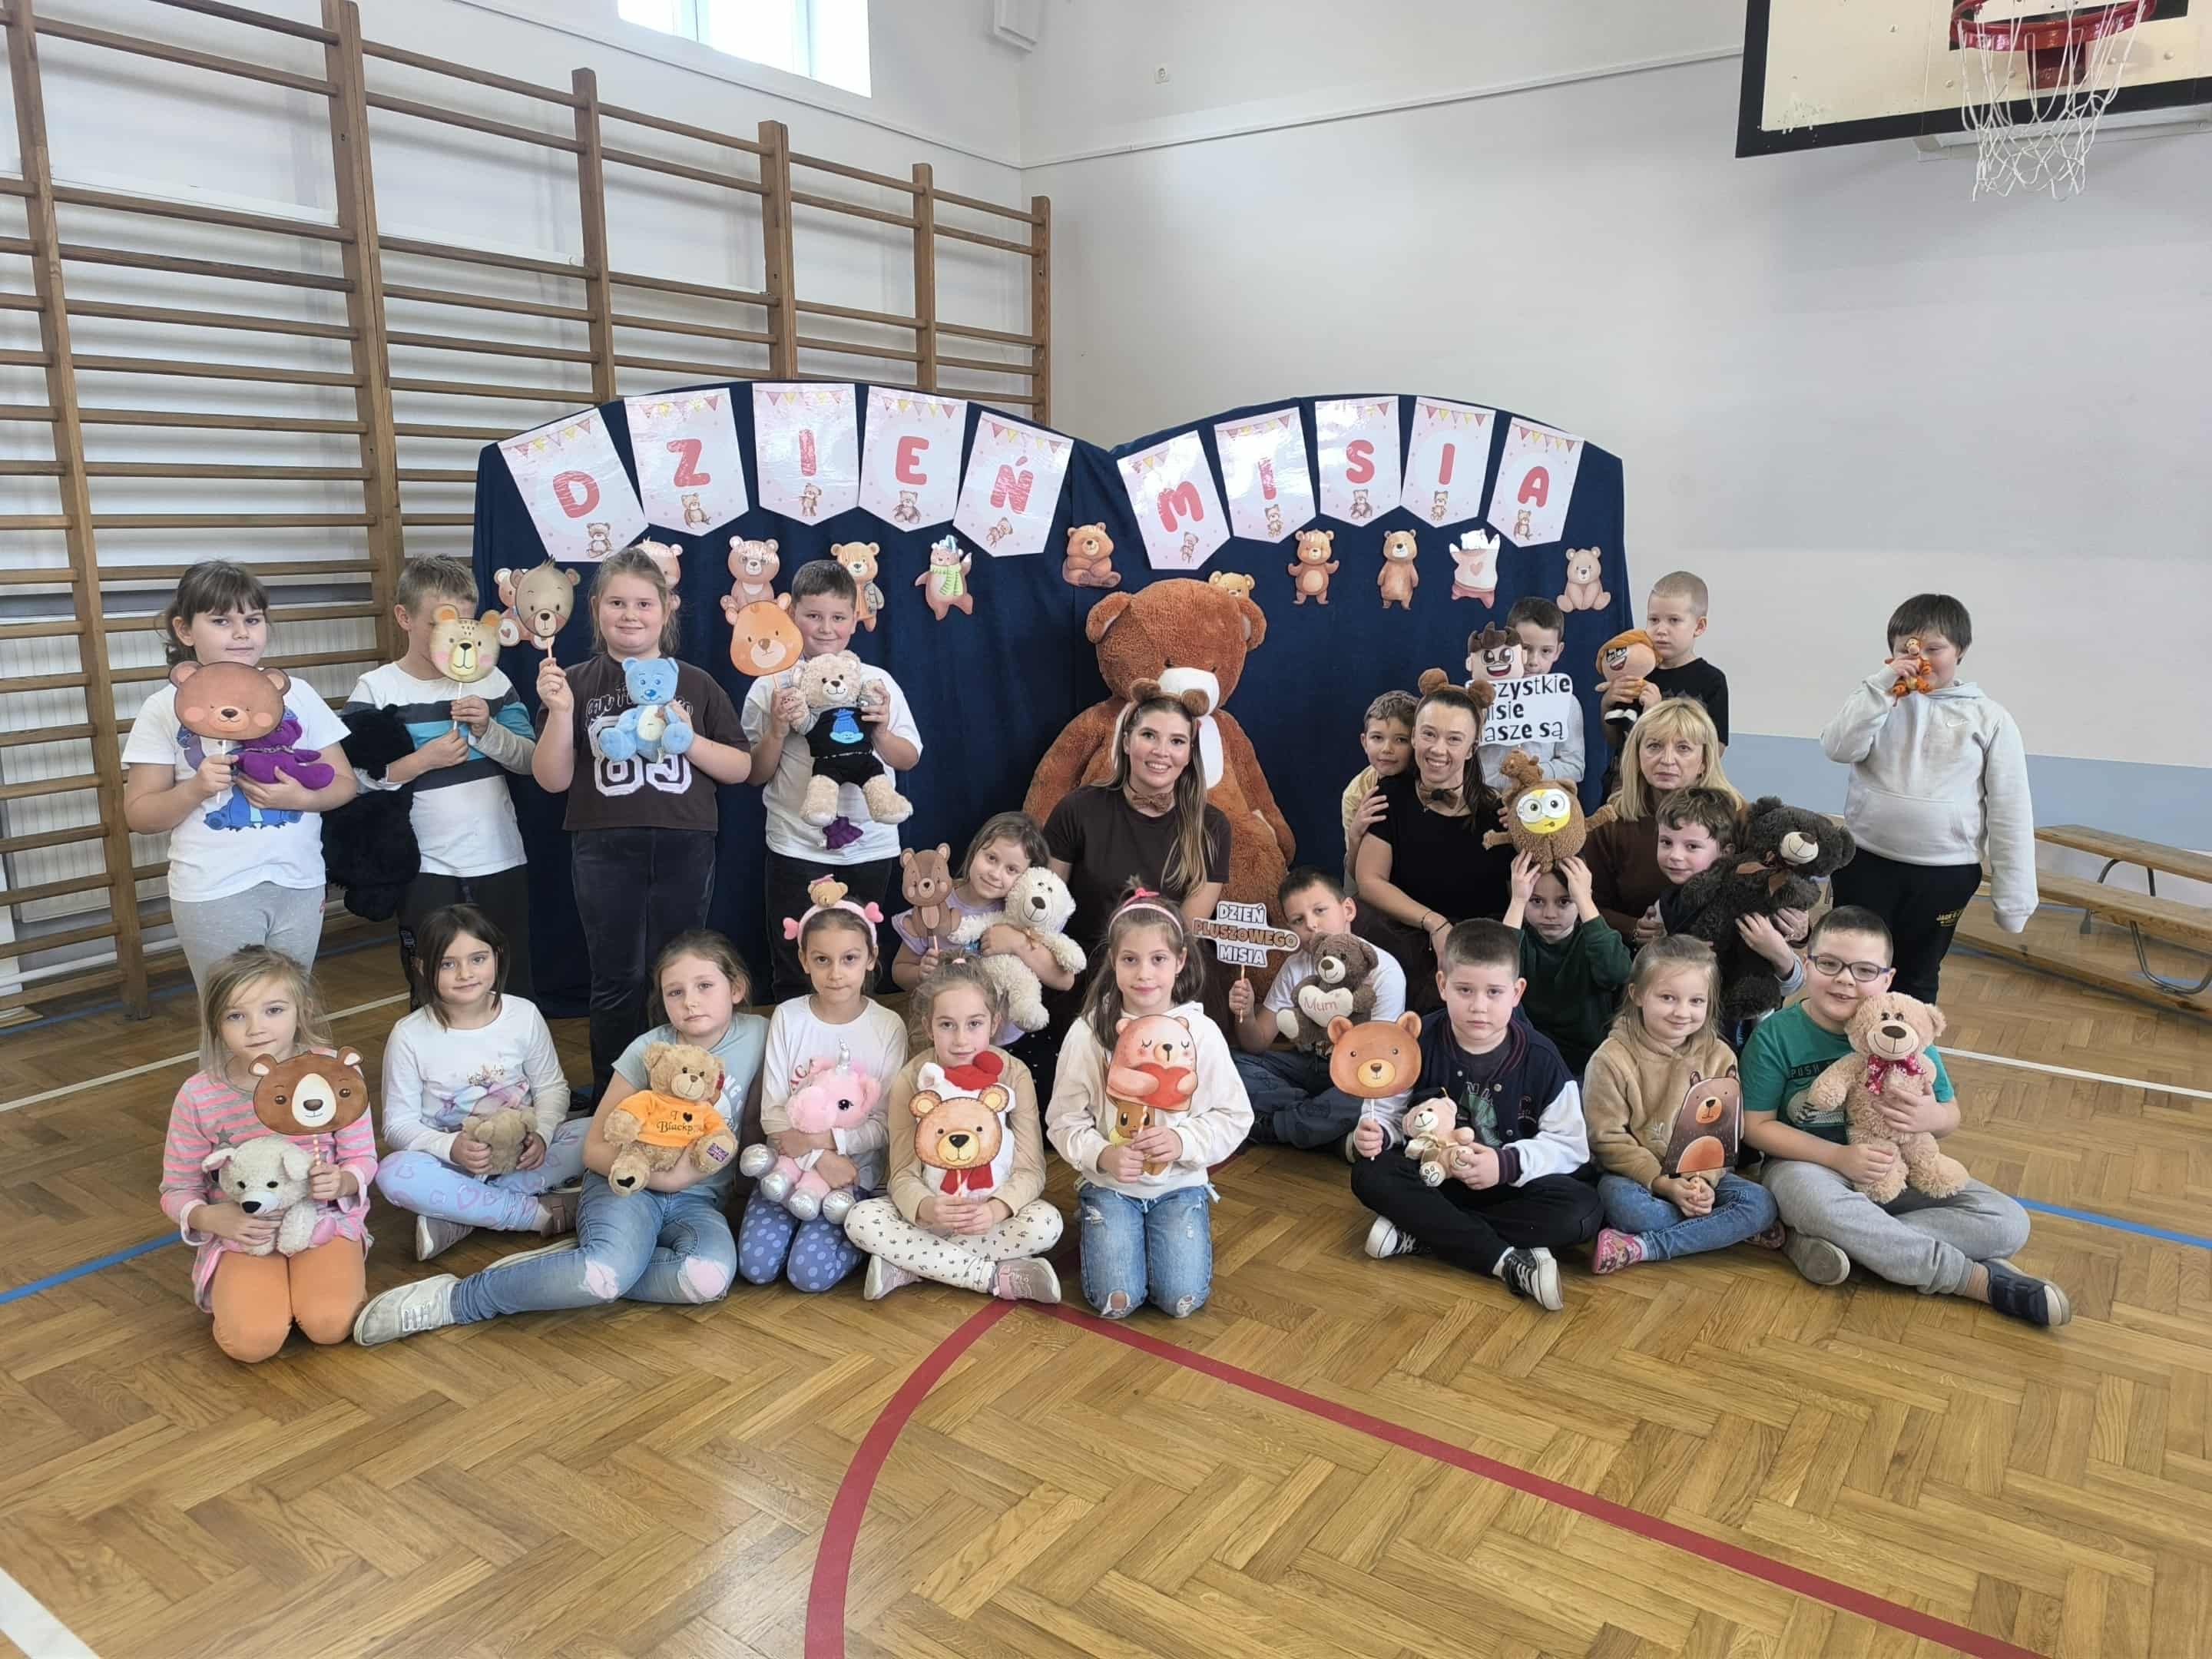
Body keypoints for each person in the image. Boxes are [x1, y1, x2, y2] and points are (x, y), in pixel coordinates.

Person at [353, 932, 767, 1345]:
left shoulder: (761, 1034)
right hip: (628, 1189)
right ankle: (459, 1299)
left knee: (706, 1280)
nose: (690, 1002)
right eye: (675, 992)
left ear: (736, 989)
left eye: (704, 986)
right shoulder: (649, 1050)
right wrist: (667, 1180)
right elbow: (595, 1149)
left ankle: (572, 1267)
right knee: (605, 1275)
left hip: (699, 1205)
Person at [1741, 906, 2070, 1326]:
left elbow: (1950, 1116)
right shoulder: (1776, 1035)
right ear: (1807, 964)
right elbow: (1756, 1126)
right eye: (1829, 964)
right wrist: (1837, 1157)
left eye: (1864, 970)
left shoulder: (1908, 1033)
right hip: (1809, 1167)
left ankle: (1836, 1242)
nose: (1845, 979)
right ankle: (1973, 1280)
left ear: (1887, 979)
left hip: (1896, 1170)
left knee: (2009, 1223)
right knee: (1806, 1196)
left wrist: (1930, 1117)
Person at [533, 547, 750, 1099]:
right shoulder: (573, 681)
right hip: (603, 845)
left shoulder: (696, 683)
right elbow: (552, 780)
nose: (630, 614)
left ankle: (681, 1090)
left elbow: (740, 767)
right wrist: (561, 713)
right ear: (595, 609)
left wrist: (688, 739)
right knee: (615, 976)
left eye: (644, 603)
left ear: (668, 608)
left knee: (681, 975)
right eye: (617, 603)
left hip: (686, 843)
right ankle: (614, 1095)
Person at [122, 561, 356, 989]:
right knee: (232, 1012)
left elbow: (344, 784)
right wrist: (195, 789)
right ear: (185, 630)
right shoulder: (162, 707)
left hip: (299, 881)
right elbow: (140, 814)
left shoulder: (298, 694)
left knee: (289, 1008)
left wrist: (301, 799)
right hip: (214, 889)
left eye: (252, 619)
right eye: (221, 621)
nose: (242, 633)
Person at [1349, 919, 1601, 1311]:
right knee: (1370, 1173)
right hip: (1436, 1178)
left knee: (1583, 1213)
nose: (1479, 1006)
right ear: (1443, 985)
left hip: (1509, 1188)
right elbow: (1394, 1114)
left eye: (1494, 992)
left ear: (1516, 993)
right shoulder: (1417, 1040)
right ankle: (1505, 1261)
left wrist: (1506, 1164)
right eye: (1465, 990)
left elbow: (1570, 1147)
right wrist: (1379, 1133)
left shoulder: (1543, 1059)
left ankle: (1422, 1232)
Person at [159, 947, 376, 1362]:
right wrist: (209, 1217)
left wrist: (345, 1181)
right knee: (252, 1342)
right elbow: (177, 1189)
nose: (256, 1028)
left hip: (322, 1221)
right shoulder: (199, 1095)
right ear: (216, 1023)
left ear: (302, 1009)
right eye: (236, 1016)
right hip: (245, 1234)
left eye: (273, 1010)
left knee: (331, 1324)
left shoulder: (335, 1073)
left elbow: (363, 1158)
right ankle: (265, 1297)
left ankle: (306, 1290)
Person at [1045, 892, 1253, 1319]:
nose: (1144, 974)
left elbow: (1235, 1116)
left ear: (1180, 961)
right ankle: (1100, 1216)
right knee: (1115, 1301)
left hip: (1178, 1186)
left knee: (1180, 1300)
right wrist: (1103, 1155)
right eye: (1130, 960)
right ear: (1113, 962)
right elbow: (1063, 1121)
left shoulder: (1202, 1033)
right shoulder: (1089, 1033)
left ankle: (1179, 1218)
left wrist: (1182, 1142)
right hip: (1112, 1186)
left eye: (1158, 959)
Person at [1820, 593, 2034, 1002]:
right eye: (1908, 649)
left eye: (1935, 649)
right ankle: (1844, 1042)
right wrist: (1879, 690)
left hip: (1944, 873)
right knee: (1852, 969)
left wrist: (2014, 902)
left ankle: (1907, 1044)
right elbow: (1838, 747)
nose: (1921, 660)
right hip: (1865, 861)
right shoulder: (1876, 701)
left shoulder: (1990, 718)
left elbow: (2011, 811)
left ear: (1961, 651)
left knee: (1917, 975)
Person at [346, 556, 538, 1005]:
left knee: (508, 982)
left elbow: (530, 761)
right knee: (434, 983)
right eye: (438, 624)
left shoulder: (493, 681)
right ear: (404, 618)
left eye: (463, 625)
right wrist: (420, 762)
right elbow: (352, 781)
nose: (454, 638)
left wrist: (488, 730)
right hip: (424, 867)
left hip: (499, 857)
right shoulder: (377, 688)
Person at [743, 558, 924, 1002]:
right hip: (796, 844)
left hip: (870, 845)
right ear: (791, 615)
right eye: (813, 616)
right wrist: (777, 730)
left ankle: (857, 1039)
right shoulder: (771, 685)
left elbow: (909, 758)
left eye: (839, 617)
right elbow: (754, 774)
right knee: (795, 961)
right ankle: (795, 1041)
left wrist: (881, 732)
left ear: (855, 620)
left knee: (861, 960)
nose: (827, 629)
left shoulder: (876, 682)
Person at [843, 958, 1063, 1303]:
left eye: (974, 1024)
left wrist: (997, 1209)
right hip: (932, 1216)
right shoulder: (912, 1079)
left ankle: (913, 1265)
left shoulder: (1013, 1073)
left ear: (994, 1023)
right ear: (929, 1027)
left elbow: (1031, 1169)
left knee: (1047, 1224)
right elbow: (901, 1173)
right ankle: (991, 1276)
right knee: (861, 1219)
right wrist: (927, 1207)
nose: (961, 1039)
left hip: (988, 1216)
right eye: (947, 1025)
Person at [373, 905, 584, 1261]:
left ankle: (462, 1215)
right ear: (422, 967)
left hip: (522, 1156)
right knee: (393, 1173)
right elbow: (397, 1125)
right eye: (447, 964)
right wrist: (451, 1147)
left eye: (477, 959)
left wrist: (543, 1134)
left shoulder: (523, 1014)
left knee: (600, 1130)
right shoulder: (409, 1035)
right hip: (450, 1166)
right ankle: (533, 1215)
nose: (465, 974)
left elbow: (552, 1088)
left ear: (497, 956)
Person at [739, 880, 909, 1293]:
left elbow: (884, 1123)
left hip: (851, 1176)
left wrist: (831, 1148)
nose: (836, 973)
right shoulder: (788, 1017)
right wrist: (819, 1155)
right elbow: (773, 1113)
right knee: (757, 1268)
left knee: (808, 1275)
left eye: (849, 959)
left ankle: (873, 1234)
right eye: (822, 959)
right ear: (803, 960)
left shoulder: (888, 1026)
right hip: (788, 1165)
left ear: (871, 958)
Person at [1581, 935, 1781, 1274]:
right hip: (1636, 1178)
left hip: (1701, 1174)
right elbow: (1606, 1138)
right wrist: (1662, 1183)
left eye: (1696, 1001)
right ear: (1637, 995)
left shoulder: (1720, 1055)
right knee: (1633, 1211)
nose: (1682, 1012)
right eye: (1668, 998)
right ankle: (1718, 1231)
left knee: (1761, 1204)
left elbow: (1723, 1133)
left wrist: (1702, 1182)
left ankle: (1642, 1247)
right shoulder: (1610, 1059)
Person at [1350, 682, 1514, 1010]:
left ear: (1471, 748)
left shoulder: (1499, 814)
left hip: (1474, 951)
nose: (1438, 749)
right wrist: (1434, 923)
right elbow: (1369, 880)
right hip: (1405, 935)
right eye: (1429, 734)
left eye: (1454, 739)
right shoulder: (1389, 795)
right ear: (1414, 737)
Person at [1228, 866, 1407, 1152]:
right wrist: (1246, 1014)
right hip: (1308, 1070)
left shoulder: (1383, 970)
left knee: (1367, 1094)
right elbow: (1257, 1043)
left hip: (1355, 1076)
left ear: (1348, 910)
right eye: (1298, 920)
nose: (1311, 925)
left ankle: (1274, 1127)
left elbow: (1383, 1061)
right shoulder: (1295, 965)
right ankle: (1319, 1127)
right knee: (1228, 1063)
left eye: (1320, 911)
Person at [889, 810, 1073, 1078]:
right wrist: (919, 974)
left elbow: (1064, 980)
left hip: (1004, 1043)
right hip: (945, 1044)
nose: (995, 874)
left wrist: (1017, 943)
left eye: (1011, 870)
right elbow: (899, 970)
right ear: (975, 850)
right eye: (991, 858)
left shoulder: (1023, 918)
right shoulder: (935, 904)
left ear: (1028, 877)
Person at [1647, 786, 1807, 1037]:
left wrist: (1777, 952)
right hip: (1679, 1028)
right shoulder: (1666, 903)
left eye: (1692, 846)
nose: (1675, 856)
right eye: (1666, 842)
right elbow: (1648, 970)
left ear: (1726, 852)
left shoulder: (1751, 901)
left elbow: (1793, 984)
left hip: (1741, 1034)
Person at [1582, 698, 1742, 945]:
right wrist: (1631, 928)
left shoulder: (1738, 816)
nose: (1667, 760)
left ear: (1704, 761)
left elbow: (1768, 890)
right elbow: (1586, 904)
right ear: (1637, 755)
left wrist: (1798, 928)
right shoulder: (1609, 822)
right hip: (1634, 957)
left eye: (1683, 748)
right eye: (1654, 746)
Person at [1501, 853, 1630, 1078]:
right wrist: (1518, 902)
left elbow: (1617, 973)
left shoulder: (1594, 940)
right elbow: (1495, 971)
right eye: (1536, 901)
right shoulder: (1518, 941)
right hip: (1528, 1057)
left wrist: (1585, 901)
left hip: (1589, 1062)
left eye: (1564, 902)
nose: (1550, 914)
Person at [1479, 597, 1584, 790]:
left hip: (1540, 801)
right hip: (1485, 799)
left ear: (1558, 651)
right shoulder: (1483, 697)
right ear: (1507, 643)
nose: (1533, 661)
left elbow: (1574, 766)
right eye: (1525, 648)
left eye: (1546, 651)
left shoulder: (1566, 702)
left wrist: (1532, 774)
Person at [1641, 571, 1730, 746]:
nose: (1661, 630)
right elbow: (1617, 739)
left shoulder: (1712, 681)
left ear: (1699, 626)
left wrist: (1654, 714)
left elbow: (1716, 749)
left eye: (1674, 620)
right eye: (1654, 619)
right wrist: (1607, 703)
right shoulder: (1639, 672)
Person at [1341, 690, 1415, 894]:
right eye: (1377, 738)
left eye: (1401, 740)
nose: (1387, 749)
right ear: (1364, 742)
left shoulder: (1427, 779)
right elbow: (1354, 876)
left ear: (1416, 742)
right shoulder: (1355, 793)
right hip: (1370, 877)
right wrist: (1355, 834)